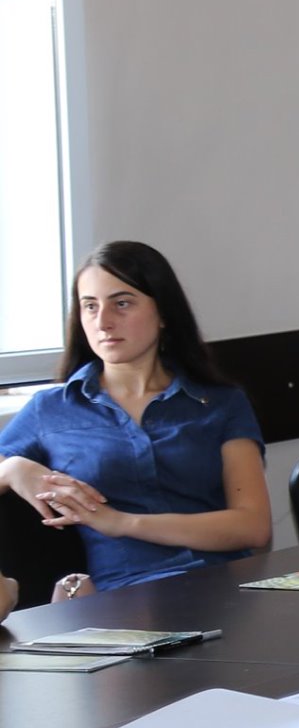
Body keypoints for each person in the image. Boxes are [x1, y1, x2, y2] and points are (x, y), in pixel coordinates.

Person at [0, 241, 269, 594]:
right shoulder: (51, 408)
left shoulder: (221, 402)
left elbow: (253, 527)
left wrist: (122, 522)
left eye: (122, 303)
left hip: (229, 585)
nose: (103, 322)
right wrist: (13, 467)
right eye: (90, 306)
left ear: (164, 314)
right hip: (126, 597)